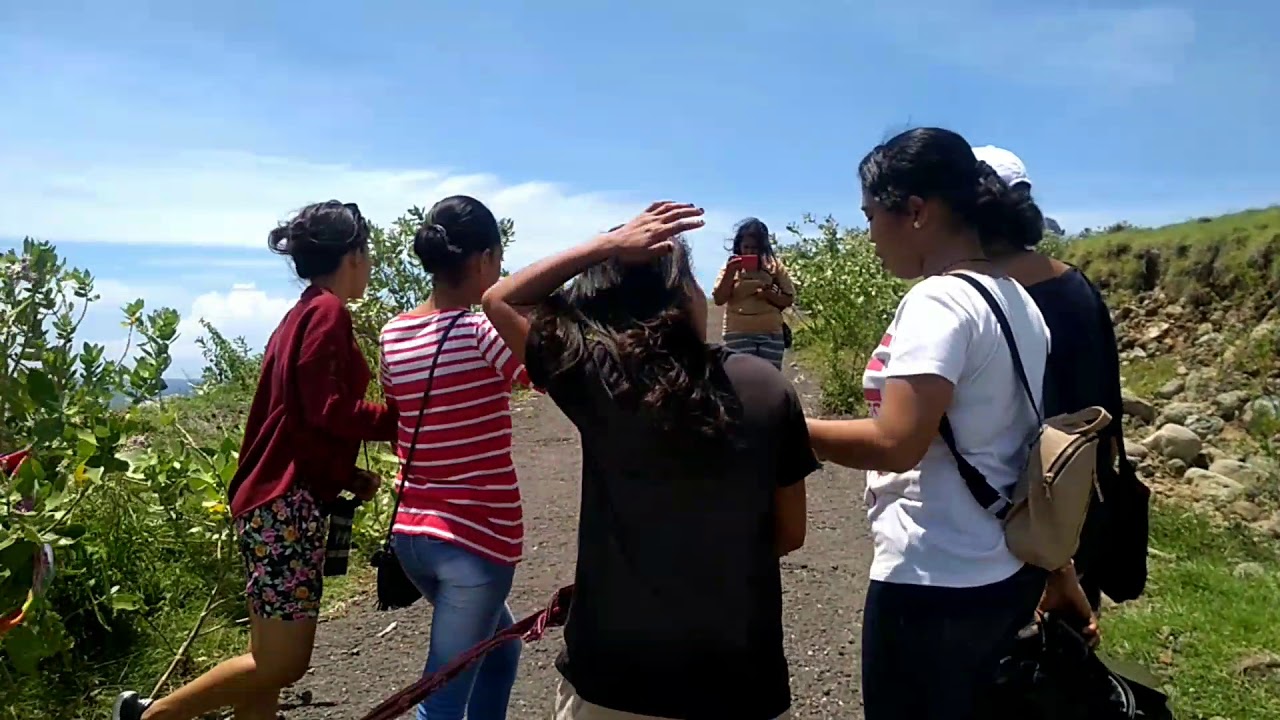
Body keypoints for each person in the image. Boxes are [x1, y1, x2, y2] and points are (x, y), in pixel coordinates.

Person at [481, 202, 817, 720]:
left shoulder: (597, 380)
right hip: (739, 682)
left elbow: (501, 298)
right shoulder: (767, 389)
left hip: (614, 678)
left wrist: (607, 247)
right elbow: (790, 533)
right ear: (685, 294)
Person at [803, 128, 1058, 720]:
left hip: (935, 579)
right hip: (1002, 567)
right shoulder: (1015, 300)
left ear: (915, 211)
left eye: (871, 216)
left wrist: (787, 423)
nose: (868, 235)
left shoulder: (938, 301)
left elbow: (897, 443)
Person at [114, 201, 395, 720]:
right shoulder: (327, 312)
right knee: (283, 664)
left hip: (272, 498)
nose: (371, 263)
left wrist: (350, 475)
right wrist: (395, 421)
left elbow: (300, 421)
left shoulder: (303, 313)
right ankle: (150, 716)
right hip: (285, 507)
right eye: (368, 252)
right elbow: (326, 408)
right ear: (352, 255)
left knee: (266, 664)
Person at [974, 144, 1149, 614]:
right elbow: (1101, 411)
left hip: (1011, 511)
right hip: (1073, 497)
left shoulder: (977, 296)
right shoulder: (1073, 285)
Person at [378, 195, 531, 720]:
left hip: (413, 539)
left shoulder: (393, 333)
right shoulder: (483, 332)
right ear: (486, 260)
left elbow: (396, 409)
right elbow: (545, 374)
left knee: (500, 651)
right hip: (474, 540)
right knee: (440, 701)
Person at [712, 217, 796, 370]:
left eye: (755, 248)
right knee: (741, 381)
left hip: (771, 333)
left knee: (770, 381)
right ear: (739, 246)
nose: (750, 251)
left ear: (762, 247)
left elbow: (788, 299)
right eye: (746, 247)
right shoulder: (729, 267)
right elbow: (719, 299)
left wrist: (767, 294)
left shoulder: (774, 267)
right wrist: (730, 272)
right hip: (737, 333)